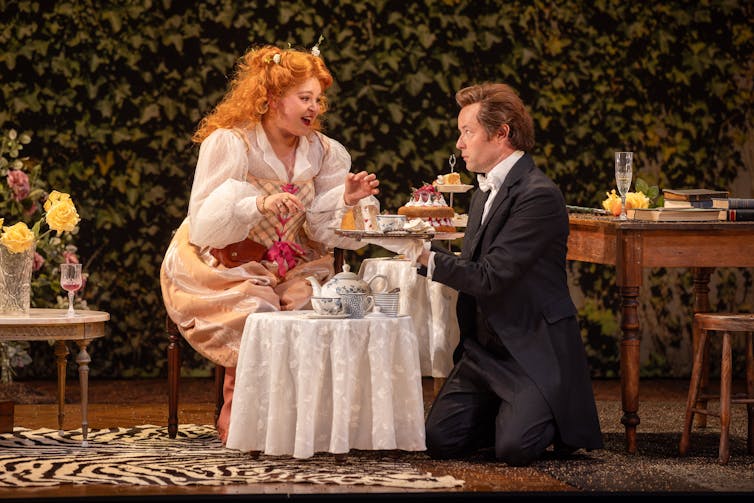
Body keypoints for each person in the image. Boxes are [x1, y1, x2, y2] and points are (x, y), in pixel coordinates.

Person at [160, 43, 381, 444]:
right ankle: (243, 420)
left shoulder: (325, 152)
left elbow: (320, 230)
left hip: (295, 261)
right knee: (257, 309)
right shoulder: (232, 142)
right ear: (273, 98)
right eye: (304, 98)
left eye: (318, 99)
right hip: (226, 260)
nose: (314, 108)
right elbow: (205, 223)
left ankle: (300, 425)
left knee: (307, 306)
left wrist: (346, 201)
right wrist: (258, 203)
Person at [415, 82, 603, 466]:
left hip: (528, 347)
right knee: (438, 440)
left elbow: (490, 277)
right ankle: (502, 412)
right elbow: (473, 266)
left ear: (502, 133)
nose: (459, 144)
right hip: (483, 351)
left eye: (467, 132)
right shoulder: (484, 190)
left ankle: (545, 409)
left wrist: (425, 258)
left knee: (514, 450)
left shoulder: (539, 195)